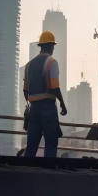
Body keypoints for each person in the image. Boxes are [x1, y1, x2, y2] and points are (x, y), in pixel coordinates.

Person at [23, 30, 67, 158]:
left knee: (31, 146)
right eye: (53, 46)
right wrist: (62, 104)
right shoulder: (51, 62)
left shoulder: (28, 65)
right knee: (51, 145)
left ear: (41, 46)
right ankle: (48, 174)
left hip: (34, 109)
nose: (53, 48)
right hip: (48, 107)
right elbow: (54, 87)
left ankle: (25, 172)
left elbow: (25, 91)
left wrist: (32, 102)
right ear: (49, 46)